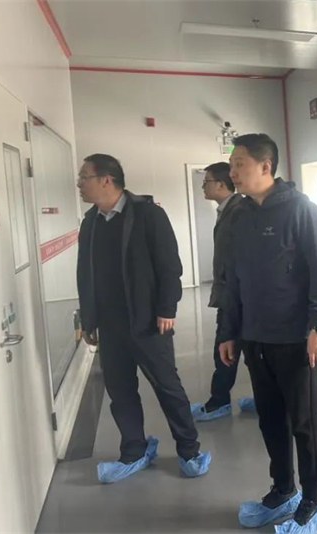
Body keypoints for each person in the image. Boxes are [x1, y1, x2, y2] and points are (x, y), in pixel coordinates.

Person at [217, 134, 317, 531]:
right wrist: (230, 331)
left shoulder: (300, 209)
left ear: (265, 166)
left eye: (239, 164)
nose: (233, 172)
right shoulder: (239, 215)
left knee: (304, 423)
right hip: (255, 337)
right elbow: (233, 278)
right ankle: (283, 488)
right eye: (231, 165)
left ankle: (312, 497)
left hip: (296, 338)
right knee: (270, 419)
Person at [76, 154, 210, 483]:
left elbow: (169, 265)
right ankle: (134, 450)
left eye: (84, 177)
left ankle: (189, 449)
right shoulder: (90, 222)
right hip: (110, 324)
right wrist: (88, 319)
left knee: (167, 387)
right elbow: (85, 274)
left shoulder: (147, 214)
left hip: (148, 321)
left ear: (106, 179)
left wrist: (167, 308)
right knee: (120, 391)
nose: (79, 184)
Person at [190, 161, 255, 421]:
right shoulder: (228, 210)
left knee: (229, 348)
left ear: (219, 184)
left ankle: (219, 402)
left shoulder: (239, 211)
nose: (203, 186)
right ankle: (256, 398)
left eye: (205, 181)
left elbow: (237, 261)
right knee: (239, 349)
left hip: (237, 296)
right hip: (232, 294)